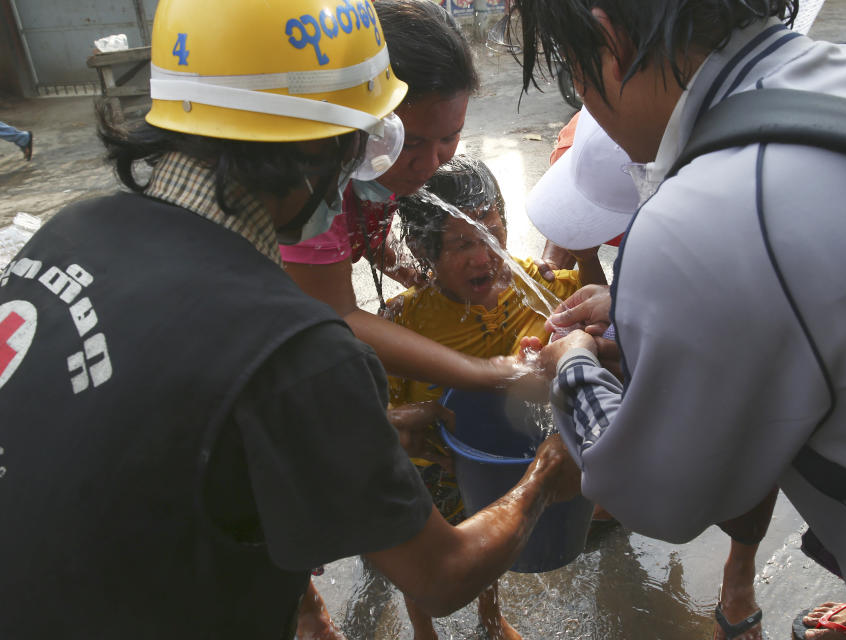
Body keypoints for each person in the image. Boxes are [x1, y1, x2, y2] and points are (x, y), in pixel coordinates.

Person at [0, 1, 581, 638]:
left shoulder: (69, 233)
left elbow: (152, 431)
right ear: (317, 142)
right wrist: (548, 470)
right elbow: (441, 577)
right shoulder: (296, 350)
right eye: (374, 139)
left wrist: (367, 426)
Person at [509, 0, 846, 638]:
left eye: (569, 74)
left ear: (605, 40)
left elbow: (656, 495)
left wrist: (574, 365)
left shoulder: (700, 214)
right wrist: (635, 311)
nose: (580, 96)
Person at [528, 105, 778, 640]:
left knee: (749, 438)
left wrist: (576, 360)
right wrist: (617, 313)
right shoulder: (591, 142)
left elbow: (664, 501)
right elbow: (575, 249)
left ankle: (739, 576)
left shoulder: (749, 233)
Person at [382, 154, 600, 640]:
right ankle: (423, 630)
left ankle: (489, 617)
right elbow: (379, 418)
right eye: (461, 244)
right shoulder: (403, 324)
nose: (484, 255)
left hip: (493, 460)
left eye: (492, 233)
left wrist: (586, 260)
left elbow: (595, 312)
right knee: (423, 553)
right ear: (422, 251)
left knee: (486, 543)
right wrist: (430, 415)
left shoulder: (537, 286)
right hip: (432, 468)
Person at [280, 0, 536, 396]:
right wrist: (489, 373)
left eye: (450, 137)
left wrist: (420, 281)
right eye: (412, 142)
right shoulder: (312, 184)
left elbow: (365, 235)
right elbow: (336, 315)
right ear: (357, 119)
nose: (431, 163)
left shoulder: (385, 167)